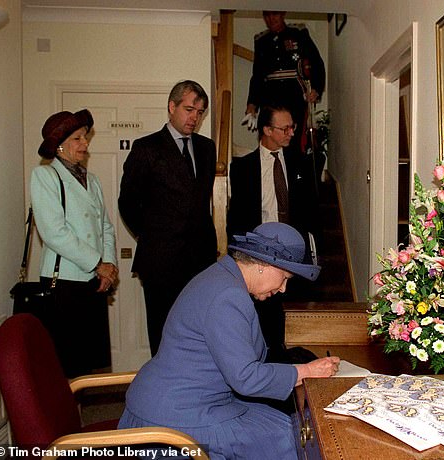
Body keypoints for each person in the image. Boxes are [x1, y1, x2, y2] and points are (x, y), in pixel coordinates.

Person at [118, 222, 340, 459]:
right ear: (264, 265)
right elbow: (246, 378)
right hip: (174, 420)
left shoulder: (221, 276)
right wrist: (305, 371)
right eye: (284, 277)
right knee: (294, 439)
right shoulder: (228, 296)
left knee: (292, 428)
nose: (284, 288)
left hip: (181, 403)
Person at [118, 80, 218, 356]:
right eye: (189, 109)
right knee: (163, 335)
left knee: (200, 334)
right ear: (171, 107)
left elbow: (200, 203)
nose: (194, 118)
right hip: (160, 262)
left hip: (201, 262)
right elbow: (127, 203)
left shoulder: (207, 148)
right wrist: (154, 235)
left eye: (200, 112)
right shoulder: (146, 148)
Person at [228, 105, 319, 364]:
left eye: (293, 127)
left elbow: (312, 211)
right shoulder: (243, 167)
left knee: (290, 314)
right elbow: (236, 217)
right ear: (267, 130)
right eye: (284, 128)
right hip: (260, 254)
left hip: (293, 251)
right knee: (263, 314)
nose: (291, 132)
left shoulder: (301, 162)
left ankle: (290, 364)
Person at [31, 109, 118, 378]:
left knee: (86, 364)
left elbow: (105, 226)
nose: (85, 144)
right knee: (64, 363)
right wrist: (97, 263)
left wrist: (109, 265)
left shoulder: (91, 179)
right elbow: (54, 232)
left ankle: (78, 416)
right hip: (63, 285)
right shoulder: (44, 176)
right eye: (78, 139)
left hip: (92, 282)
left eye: (85, 137)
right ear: (59, 145)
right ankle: (66, 419)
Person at [242, 11, 325, 163]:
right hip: (269, 98)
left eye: (274, 14)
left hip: (293, 97)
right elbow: (258, 76)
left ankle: (292, 180)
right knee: (268, 140)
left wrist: (316, 89)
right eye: (267, 15)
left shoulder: (298, 33)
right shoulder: (261, 40)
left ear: (282, 14)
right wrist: (252, 104)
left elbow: (316, 64)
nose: (270, 19)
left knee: (293, 141)